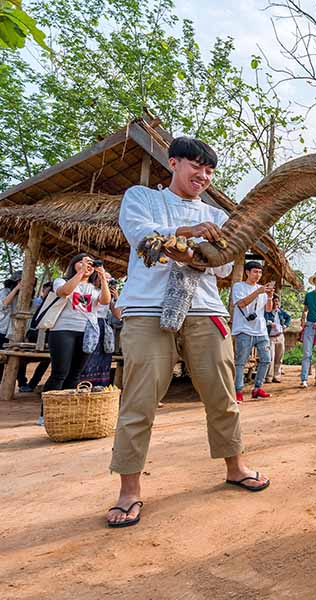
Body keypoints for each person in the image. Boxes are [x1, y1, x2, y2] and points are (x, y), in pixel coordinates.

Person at [107, 137, 269, 529]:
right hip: (146, 309)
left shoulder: (216, 214)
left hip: (205, 310)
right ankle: (129, 490)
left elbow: (220, 268)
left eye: (210, 171)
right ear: (173, 162)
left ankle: (236, 465)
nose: (203, 176)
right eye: (196, 166)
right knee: (140, 401)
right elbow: (141, 236)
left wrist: (193, 255)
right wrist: (186, 232)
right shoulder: (142, 197)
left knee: (222, 394)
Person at [40, 254, 112, 424]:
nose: (86, 264)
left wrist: (102, 277)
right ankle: (46, 413)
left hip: (87, 333)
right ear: (74, 264)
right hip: (62, 330)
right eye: (82, 261)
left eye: (89, 263)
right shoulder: (61, 281)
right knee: (59, 373)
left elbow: (105, 300)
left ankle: (66, 412)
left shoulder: (95, 287)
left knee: (75, 375)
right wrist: (80, 273)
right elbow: (64, 291)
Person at [231, 261, 274, 402]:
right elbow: (241, 304)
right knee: (240, 362)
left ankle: (257, 388)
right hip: (243, 330)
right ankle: (238, 391)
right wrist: (258, 292)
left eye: (260, 272)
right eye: (255, 271)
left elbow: (268, 309)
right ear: (247, 272)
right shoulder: (239, 287)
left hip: (261, 330)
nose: (258, 275)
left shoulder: (261, 289)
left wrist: (269, 296)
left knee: (266, 359)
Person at [79, 274, 120, 387]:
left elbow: (118, 315)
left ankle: (98, 390)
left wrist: (116, 297)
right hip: (88, 326)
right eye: (104, 278)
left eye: (110, 279)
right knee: (85, 359)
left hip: (103, 329)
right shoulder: (89, 289)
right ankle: (81, 388)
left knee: (102, 360)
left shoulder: (110, 295)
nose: (107, 281)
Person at [17, 281, 52, 392]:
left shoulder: (55, 304)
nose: (50, 293)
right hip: (31, 335)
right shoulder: (35, 302)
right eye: (48, 291)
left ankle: (33, 384)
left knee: (47, 360)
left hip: (47, 337)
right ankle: (22, 383)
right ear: (43, 290)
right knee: (21, 359)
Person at [264, 294, 291, 384]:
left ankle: (277, 375)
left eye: (277, 301)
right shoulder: (267, 313)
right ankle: (269, 376)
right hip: (270, 337)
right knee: (271, 357)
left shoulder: (281, 312)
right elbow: (263, 321)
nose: (276, 303)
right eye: (274, 301)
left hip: (280, 336)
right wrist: (269, 323)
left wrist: (285, 325)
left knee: (279, 357)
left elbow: (288, 318)